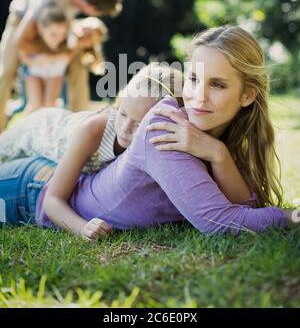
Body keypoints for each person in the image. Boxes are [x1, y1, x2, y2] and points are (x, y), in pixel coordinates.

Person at [0, 26, 298, 241]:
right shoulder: (163, 127)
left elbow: (245, 207)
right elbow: (221, 222)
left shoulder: (208, 138)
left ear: (247, 95)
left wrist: (217, 154)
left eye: (217, 85)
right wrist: (289, 217)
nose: (198, 96)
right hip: (30, 190)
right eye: (193, 79)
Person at [0, 64, 184, 174]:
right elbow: (53, 200)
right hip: (38, 131)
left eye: (138, 123)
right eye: (122, 113)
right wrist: (83, 227)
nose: (126, 127)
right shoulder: (96, 129)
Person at [0, 0, 124, 130]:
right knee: (6, 72)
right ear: (92, 9)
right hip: (23, 22)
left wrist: (71, 49)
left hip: (55, 26)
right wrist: (56, 56)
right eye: (98, 14)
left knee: (78, 64)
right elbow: (22, 42)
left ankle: (80, 126)